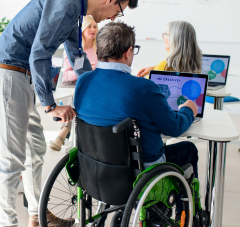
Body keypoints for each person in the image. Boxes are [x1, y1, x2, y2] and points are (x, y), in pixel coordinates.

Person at [0, 0, 139, 227]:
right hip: (8, 75)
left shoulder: (75, 7)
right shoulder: (68, 1)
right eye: (119, 10)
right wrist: (50, 104)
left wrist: (94, 81)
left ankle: (36, 213)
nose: (113, 17)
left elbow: (74, 51)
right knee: (11, 158)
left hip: (22, 77)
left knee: (36, 150)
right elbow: (39, 53)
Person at [74, 21, 200, 182]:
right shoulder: (144, 88)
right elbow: (174, 128)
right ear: (128, 52)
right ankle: (186, 206)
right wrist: (188, 110)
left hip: (95, 166)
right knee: (189, 149)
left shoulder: (83, 81)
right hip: (140, 170)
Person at [50, 15, 99, 151]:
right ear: (83, 29)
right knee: (74, 98)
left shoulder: (98, 50)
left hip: (89, 85)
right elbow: (67, 75)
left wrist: (93, 70)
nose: (93, 29)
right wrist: (85, 70)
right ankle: (65, 129)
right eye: (89, 26)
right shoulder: (76, 50)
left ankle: (64, 132)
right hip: (71, 84)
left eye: (95, 26)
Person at [136, 21, 202, 77]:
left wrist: (157, 69)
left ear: (174, 39)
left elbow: (145, 88)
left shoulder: (165, 66)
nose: (164, 38)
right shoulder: (195, 66)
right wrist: (154, 68)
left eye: (166, 34)